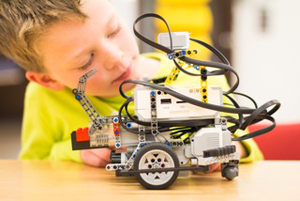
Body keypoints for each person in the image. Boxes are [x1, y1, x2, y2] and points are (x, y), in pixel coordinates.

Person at [0, 0, 263, 170]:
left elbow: (252, 152)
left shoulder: (200, 77)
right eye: (85, 61)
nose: (116, 58)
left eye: (114, 30)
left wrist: (226, 150)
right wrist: (70, 152)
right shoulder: (44, 97)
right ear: (48, 79)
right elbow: (32, 168)